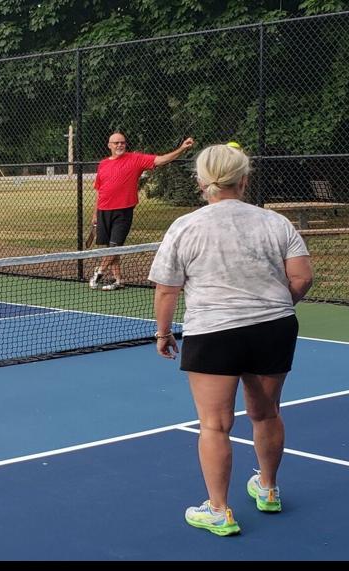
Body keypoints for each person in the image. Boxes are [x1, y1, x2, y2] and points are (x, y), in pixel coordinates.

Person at [148, 144, 313, 537]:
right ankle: (268, 489)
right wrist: (274, 305)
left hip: (213, 332)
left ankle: (219, 511)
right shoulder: (276, 223)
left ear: (201, 182)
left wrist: (163, 332)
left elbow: (167, 290)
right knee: (267, 412)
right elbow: (302, 278)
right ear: (244, 179)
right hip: (273, 328)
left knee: (215, 425)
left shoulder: (185, 227)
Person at [90, 132, 196, 291]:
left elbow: (160, 160)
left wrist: (181, 148)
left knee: (114, 246)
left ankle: (98, 273)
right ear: (109, 145)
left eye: (123, 143)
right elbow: (100, 190)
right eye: (116, 143)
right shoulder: (103, 164)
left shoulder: (135, 159)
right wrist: (95, 213)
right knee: (109, 248)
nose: (120, 145)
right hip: (103, 210)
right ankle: (118, 281)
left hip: (123, 211)